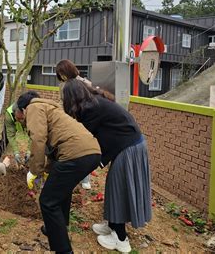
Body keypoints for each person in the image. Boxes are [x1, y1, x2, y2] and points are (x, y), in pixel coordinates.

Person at [62, 79, 152, 253]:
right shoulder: (94, 101)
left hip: (129, 147)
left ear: (72, 98)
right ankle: (112, 225)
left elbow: (83, 136)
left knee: (119, 189)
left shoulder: (91, 109)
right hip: (127, 144)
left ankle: (120, 239)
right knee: (114, 186)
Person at [17, 91, 101, 254]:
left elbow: (38, 139)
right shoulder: (53, 109)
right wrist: (46, 170)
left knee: (48, 201)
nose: (20, 118)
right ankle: (57, 228)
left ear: (23, 109)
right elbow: (55, 149)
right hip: (92, 152)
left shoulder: (34, 107)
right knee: (62, 192)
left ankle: (63, 250)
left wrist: (34, 171)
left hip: (75, 154)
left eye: (19, 114)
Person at [55, 59, 93, 189]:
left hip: (83, 119)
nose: (62, 77)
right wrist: (59, 113)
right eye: (60, 74)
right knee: (70, 147)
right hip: (68, 119)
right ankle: (72, 176)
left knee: (84, 147)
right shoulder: (62, 85)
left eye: (62, 73)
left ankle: (85, 179)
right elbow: (61, 101)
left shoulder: (83, 83)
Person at [4, 93, 37, 165]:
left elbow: (34, 136)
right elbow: (11, 135)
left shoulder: (34, 115)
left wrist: (29, 151)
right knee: (4, 140)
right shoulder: (9, 115)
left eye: (22, 118)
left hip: (31, 124)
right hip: (11, 124)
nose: (20, 121)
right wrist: (16, 152)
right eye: (18, 118)